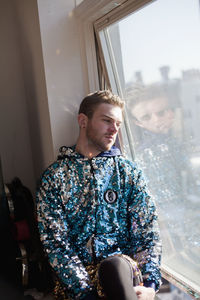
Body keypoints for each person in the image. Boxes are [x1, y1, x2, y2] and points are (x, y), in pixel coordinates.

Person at [36, 90, 162, 300]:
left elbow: (147, 232)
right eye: (107, 121)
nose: (114, 129)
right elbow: (56, 244)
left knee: (113, 267)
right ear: (83, 121)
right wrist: (85, 293)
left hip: (124, 277)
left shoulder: (128, 172)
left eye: (118, 124)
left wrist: (150, 285)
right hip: (77, 287)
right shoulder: (54, 177)